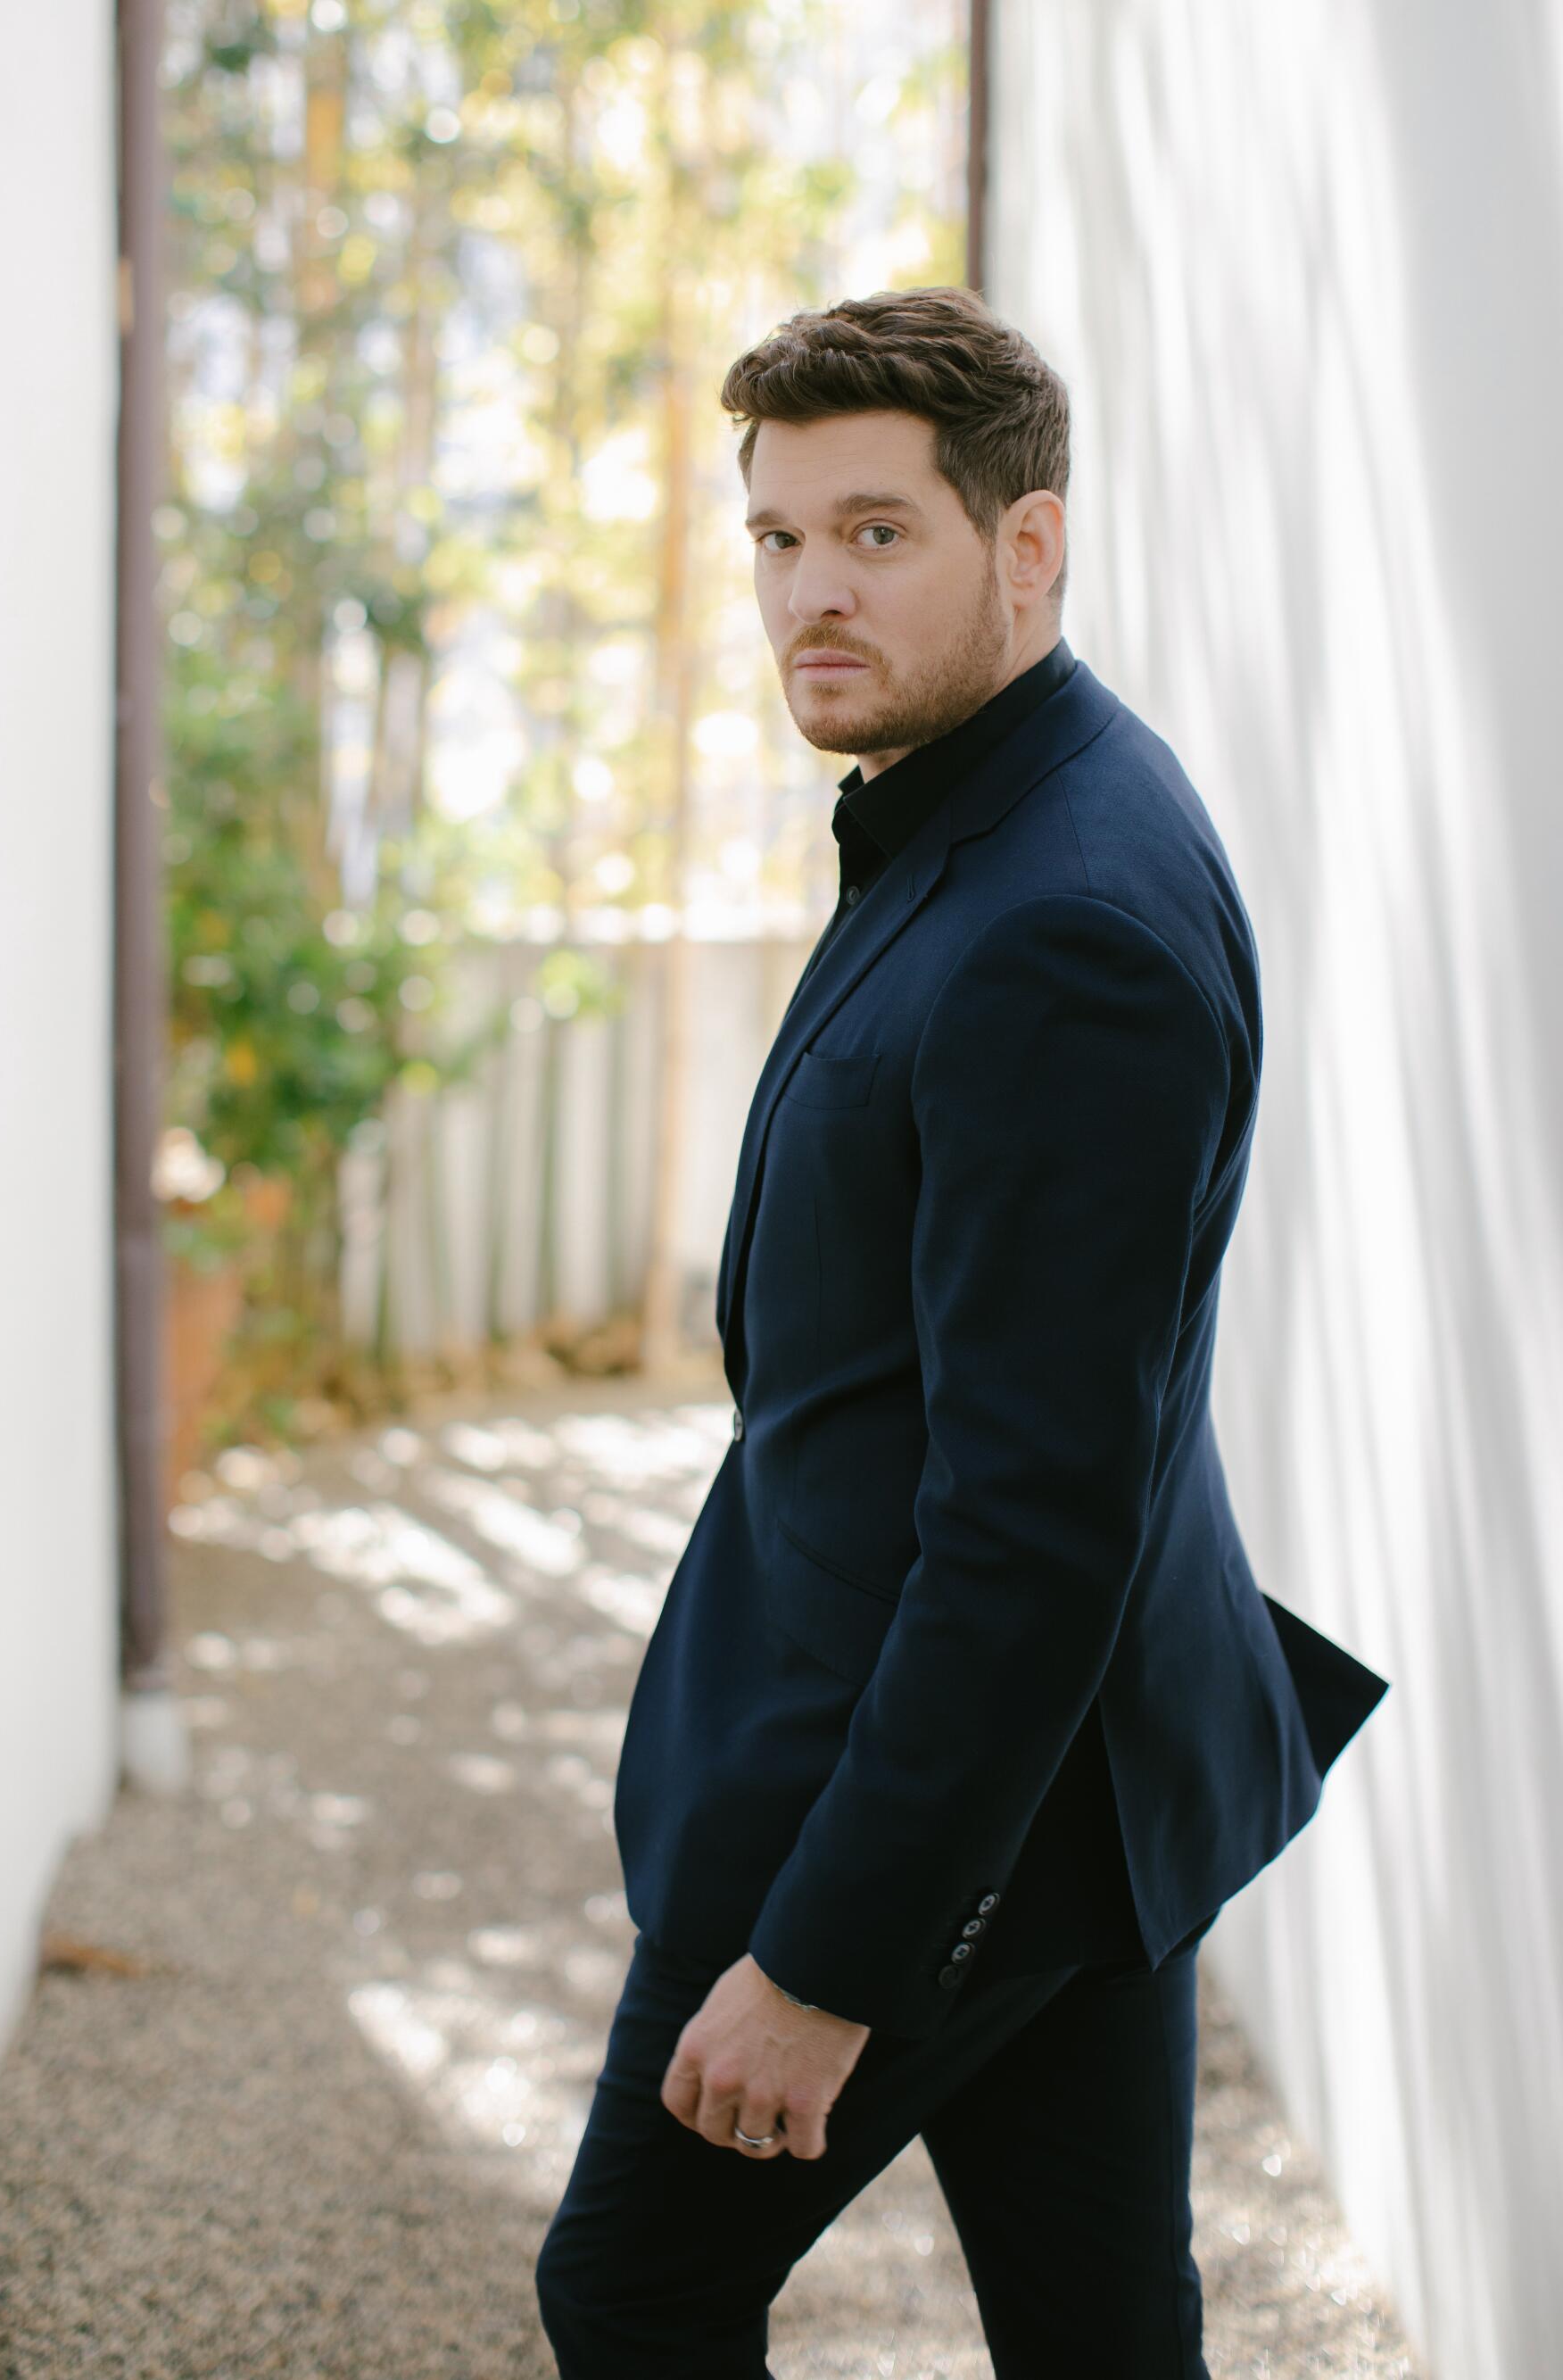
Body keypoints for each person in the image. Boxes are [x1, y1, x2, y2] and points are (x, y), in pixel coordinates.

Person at [535, 285, 1390, 2379]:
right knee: (1101, 2334)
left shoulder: (1064, 918)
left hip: (932, 1784)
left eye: (874, 533)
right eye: (776, 536)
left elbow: (1030, 1517)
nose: (807, 592)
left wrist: (827, 1955)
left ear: (1028, 543)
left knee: (631, 2288)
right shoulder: (1003, 797)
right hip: (1076, 1779)